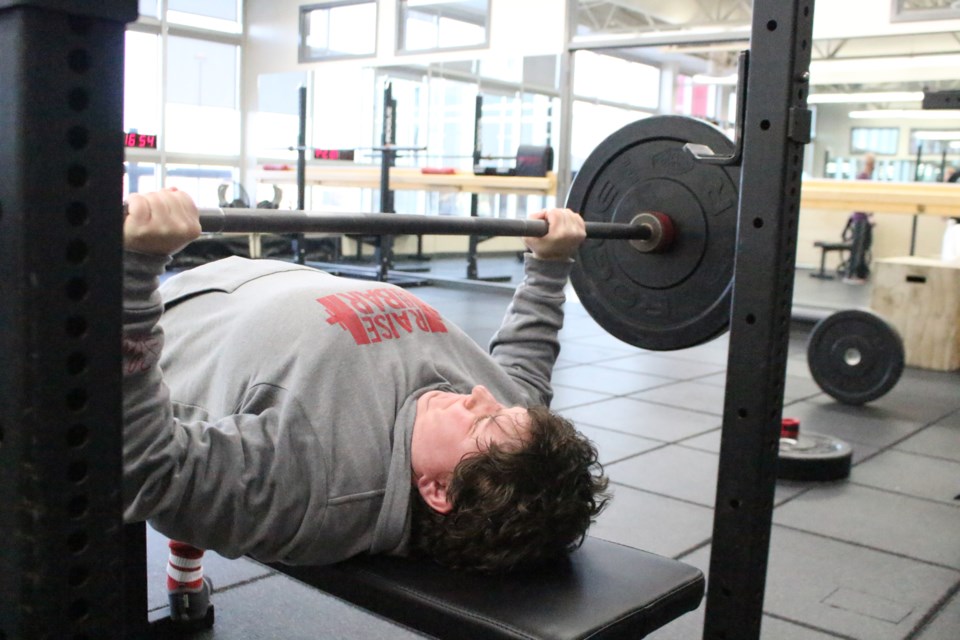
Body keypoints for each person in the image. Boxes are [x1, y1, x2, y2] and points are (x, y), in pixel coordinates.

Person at [122, 189, 609, 625]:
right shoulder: (508, 428)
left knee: (203, 491)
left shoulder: (313, 487)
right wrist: (551, 264)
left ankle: (191, 539)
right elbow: (526, 368)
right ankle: (198, 531)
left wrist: (133, 273)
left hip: (183, 308)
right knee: (212, 494)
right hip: (264, 275)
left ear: (437, 490)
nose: (483, 397)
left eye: (481, 419)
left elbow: (149, 470)